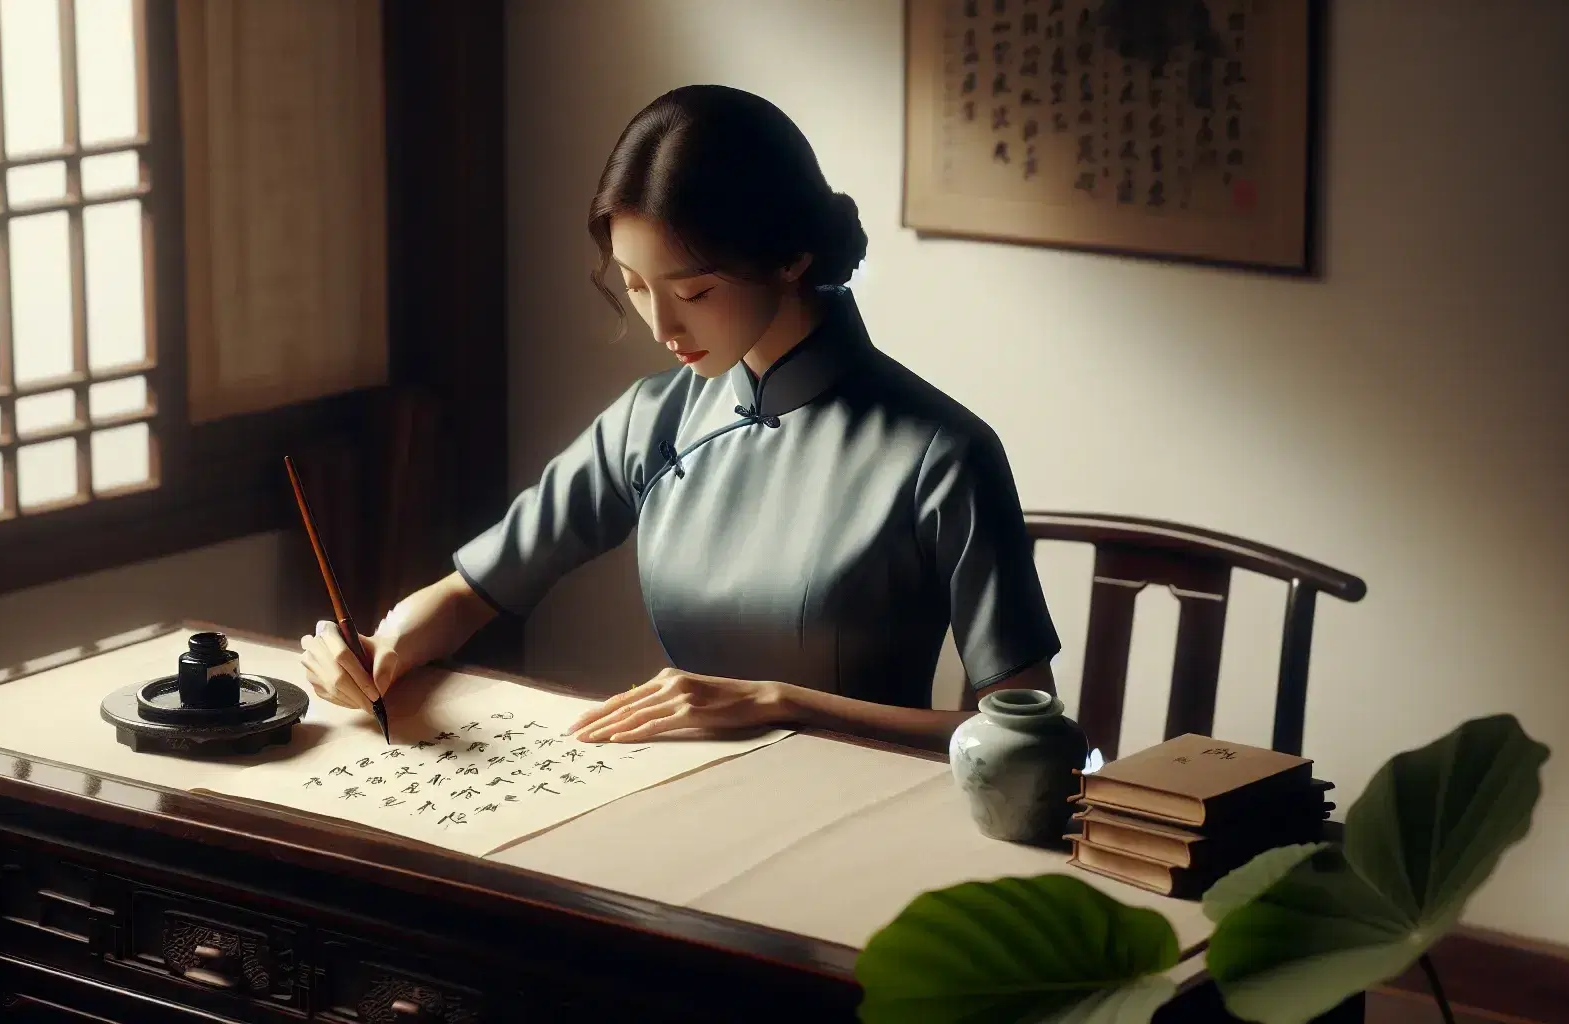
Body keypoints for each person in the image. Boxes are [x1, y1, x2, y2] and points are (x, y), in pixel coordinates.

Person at [301, 84, 1061, 751]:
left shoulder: (939, 454)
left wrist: (782, 703)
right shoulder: (653, 418)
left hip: (855, 820)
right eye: (634, 286)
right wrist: (381, 647)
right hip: (676, 798)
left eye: (693, 292)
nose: (661, 326)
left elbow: (1031, 733)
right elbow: (473, 593)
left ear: (791, 256)